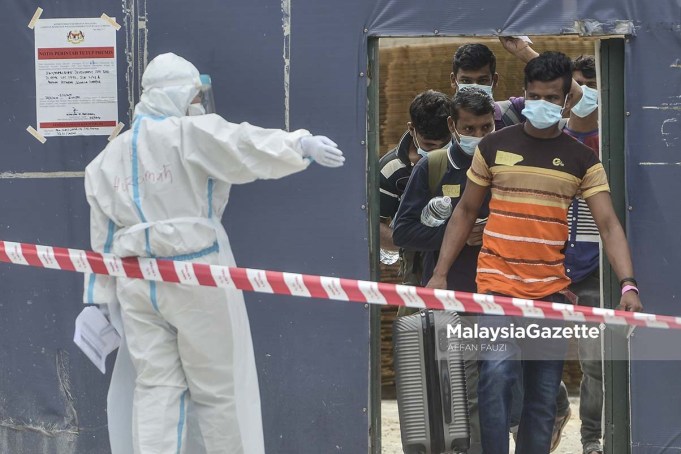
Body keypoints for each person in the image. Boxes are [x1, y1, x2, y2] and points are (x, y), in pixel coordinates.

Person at [83, 52, 344, 454]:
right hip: (195, 275)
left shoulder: (105, 161)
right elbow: (242, 144)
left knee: (156, 388)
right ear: (180, 94)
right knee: (219, 389)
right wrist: (300, 144)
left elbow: (101, 243)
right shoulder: (188, 135)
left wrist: (96, 302)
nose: (198, 106)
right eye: (194, 97)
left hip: (135, 284)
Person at [426, 51, 642, 454]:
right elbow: (466, 211)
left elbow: (610, 225)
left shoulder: (582, 159)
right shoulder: (492, 146)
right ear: (524, 94)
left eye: (550, 98)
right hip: (497, 288)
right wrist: (440, 273)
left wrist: (627, 284)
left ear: (564, 101)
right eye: (534, 96)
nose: (541, 104)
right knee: (496, 372)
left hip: (550, 296)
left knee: (542, 399)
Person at [392, 87, 496, 454]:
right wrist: (456, 231)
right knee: (467, 398)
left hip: (504, 300)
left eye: (486, 128)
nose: (479, 137)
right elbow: (403, 231)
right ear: (453, 125)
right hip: (453, 301)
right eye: (470, 128)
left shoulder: (507, 163)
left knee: (503, 394)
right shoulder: (433, 166)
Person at [564, 54, 604, 454]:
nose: (583, 96)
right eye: (577, 87)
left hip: (594, 270)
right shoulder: (555, 135)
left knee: (596, 363)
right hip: (550, 264)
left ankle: (592, 439)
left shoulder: (614, 138)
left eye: (590, 88)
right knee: (530, 356)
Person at [379, 90, 452, 285]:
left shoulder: (462, 159)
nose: (437, 153)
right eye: (429, 146)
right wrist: (413, 240)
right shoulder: (390, 170)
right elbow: (372, 226)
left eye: (443, 145)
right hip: (415, 266)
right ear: (412, 129)